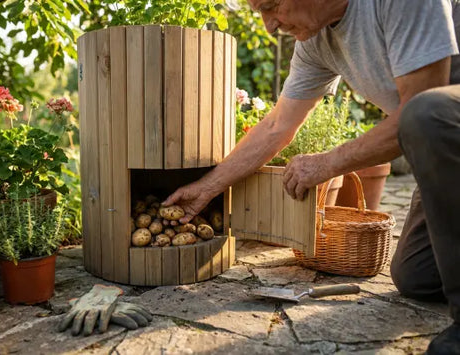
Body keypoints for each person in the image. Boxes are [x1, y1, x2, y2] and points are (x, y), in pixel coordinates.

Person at [161, 0, 460, 353]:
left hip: (444, 126)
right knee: (417, 277)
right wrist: (206, 188)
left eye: (271, 7)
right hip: (445, 149)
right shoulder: (314, 43)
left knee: (425, 114)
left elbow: (417, 109)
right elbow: (276, 126)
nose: (269, 26)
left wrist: (329, 162)